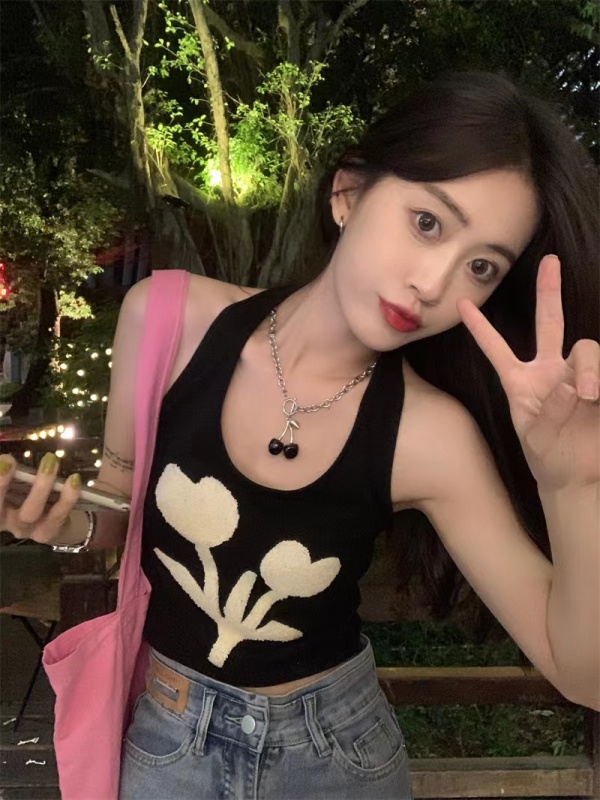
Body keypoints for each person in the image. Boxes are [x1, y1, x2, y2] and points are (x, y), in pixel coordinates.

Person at [0, 71, 598, 799]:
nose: (435, 283)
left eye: (481, 267)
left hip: (334, 759)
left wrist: (574, 483)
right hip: (167, 743)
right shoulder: (167, 320)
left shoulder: (432, 436)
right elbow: (116, 513)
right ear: (348, 193)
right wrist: (60, 518)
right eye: (427, 222)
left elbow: (582, 674)